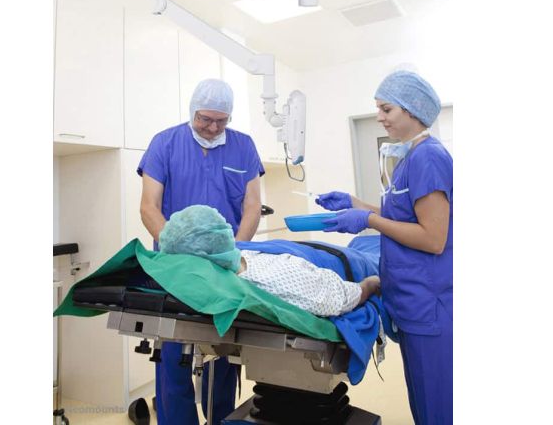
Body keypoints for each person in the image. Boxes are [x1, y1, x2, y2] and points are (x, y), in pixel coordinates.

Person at [316, 70, 452, 425]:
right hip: (411, 301)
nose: (379, 117)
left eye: (386, 109)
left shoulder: (429, 158)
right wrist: (355, 203)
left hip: (429, 304)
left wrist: (369, 221)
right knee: (424, 404)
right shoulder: (410, 159)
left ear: (412, 109)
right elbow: (401, 216)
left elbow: (433, 237)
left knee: (437, 409)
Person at [138, 78, 264, 425]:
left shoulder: (243, 146)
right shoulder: (165, 143)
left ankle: (221, 418)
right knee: (173, 355)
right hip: (175, 268)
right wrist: (175, 246)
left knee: (222, 354)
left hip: (224, 269)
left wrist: (234, 252)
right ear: (192, 111)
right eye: (204, 119)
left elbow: (252, 206)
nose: (212, 127)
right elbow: (149, 207)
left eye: (221, 121)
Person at [159, 204, 381, 316]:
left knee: (369, 243)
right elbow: (339, 298)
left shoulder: (236, 252)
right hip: (353, 264)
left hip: (330, 251)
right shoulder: (273, 279)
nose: (226, 226)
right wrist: (371, 284)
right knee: (394, 257)